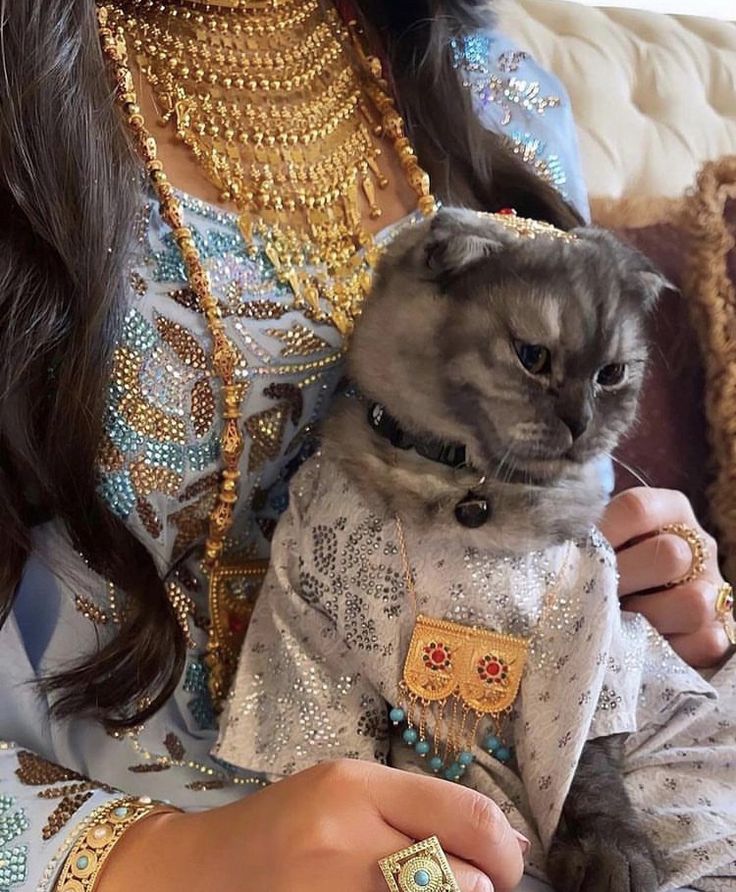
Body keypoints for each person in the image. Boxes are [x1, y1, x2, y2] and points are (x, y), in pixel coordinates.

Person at [0, 1, 731, 891]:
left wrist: (645, 580)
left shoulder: (492, 90)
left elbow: (559, 470)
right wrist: (155, 858)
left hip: (530, 796)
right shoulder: (21, 96)